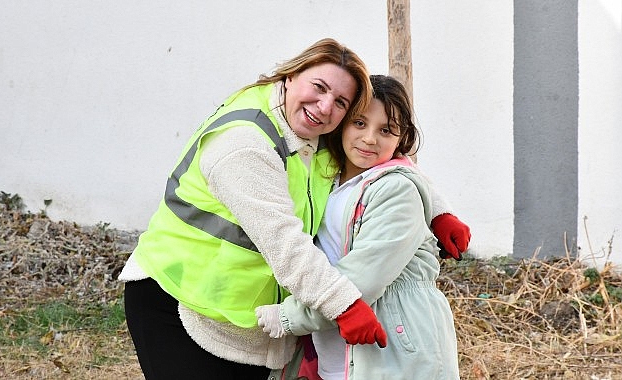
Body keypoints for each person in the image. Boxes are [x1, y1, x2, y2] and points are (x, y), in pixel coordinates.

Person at [119, 38, 468, 379]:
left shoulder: (316, 130)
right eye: (318, 87)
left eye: (341, 102)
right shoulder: (246, 145)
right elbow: (285, 242)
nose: (324, 106)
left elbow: (391, 158)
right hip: (178, 300)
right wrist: (343, 305)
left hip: (247, 317)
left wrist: (438, 210)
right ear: (290, 76)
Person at [257, 75, 461, 379]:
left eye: (386, 130)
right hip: (335, 348)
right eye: (360, 123)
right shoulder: (324, 176)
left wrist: (289, 316)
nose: (369, 139)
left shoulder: (397, 190)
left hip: (394, 349)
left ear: (401, 138)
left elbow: (364, 275)